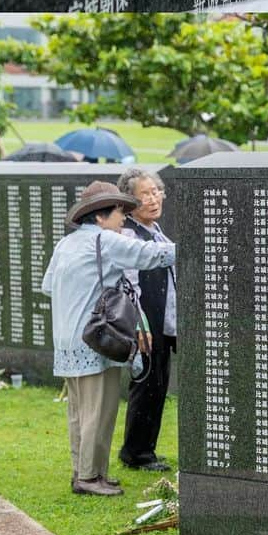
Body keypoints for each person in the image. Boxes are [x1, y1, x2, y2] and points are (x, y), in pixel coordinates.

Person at [40, 180, 176, 498]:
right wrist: (202, 243)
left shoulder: (67, 243)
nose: (123, 220)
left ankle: (88, 472)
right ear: (100, 217)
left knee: (80, 413)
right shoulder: (104, 241)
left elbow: (48, 286)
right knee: (98, 413)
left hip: (67, 339)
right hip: (97, 338)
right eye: (119, 213)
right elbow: (151, 255)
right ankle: (89, 477)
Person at [117, 167, 175, 472]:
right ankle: (136, 453)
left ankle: (146, 449)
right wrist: (139, 324)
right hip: (146, 324)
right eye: (145, 194)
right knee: (146, 384)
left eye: (156, 192)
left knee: (158, 385)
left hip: (163, 322)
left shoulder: (154, 229)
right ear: (129, 201)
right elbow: (128, 284)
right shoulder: (128, 234)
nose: (154, 199)